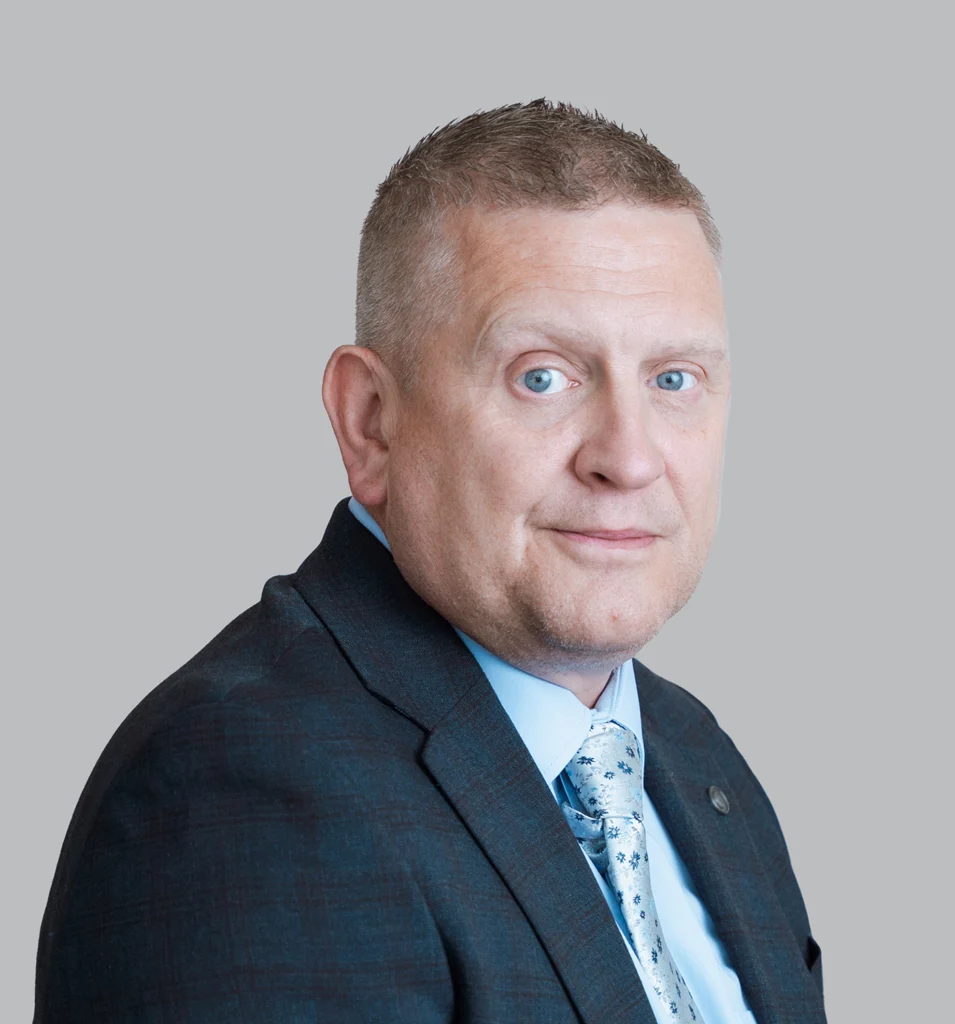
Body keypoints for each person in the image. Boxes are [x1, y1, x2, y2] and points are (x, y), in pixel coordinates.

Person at [34, 99, 826, 1024]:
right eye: (542, 376)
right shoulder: (241, 789)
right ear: (370, 421)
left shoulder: (695, 761)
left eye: (674, 379)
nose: (629, 456)